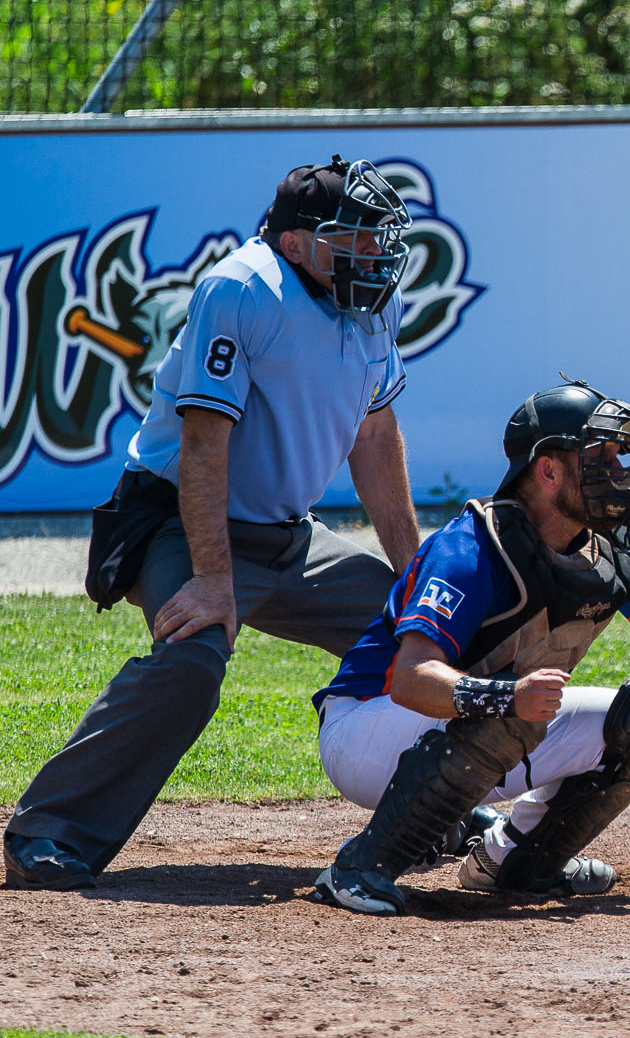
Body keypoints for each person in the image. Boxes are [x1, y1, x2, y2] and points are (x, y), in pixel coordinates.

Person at [4, 156, 420, 890]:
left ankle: (439, 806)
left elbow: (377, 439)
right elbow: (203, 443)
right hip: (179, 519)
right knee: (193, 661)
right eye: (350, 235)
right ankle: (50, 828)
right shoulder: (243, 287)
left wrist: (416, 578)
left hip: (287, 533)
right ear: (297, 243)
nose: (371, 250)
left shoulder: (369, 301)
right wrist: (215, 580)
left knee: (424, 636)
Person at [309, 381, 630, 916]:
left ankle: (515, 862)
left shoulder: (612, 553)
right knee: (510, 709)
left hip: (472, 728)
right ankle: (360, 867)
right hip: (364, 728)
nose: (618, 470)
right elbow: (410, 677)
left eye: (619, 454)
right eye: (600, 455)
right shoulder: (473, 546)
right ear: (547, 470)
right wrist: (505, 699)